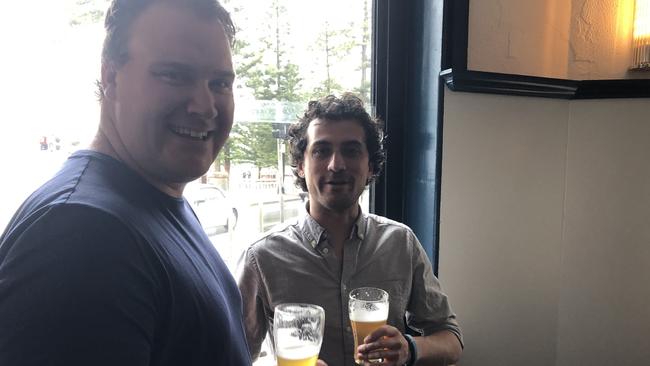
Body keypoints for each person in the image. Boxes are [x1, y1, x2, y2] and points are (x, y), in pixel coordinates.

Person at [0, 0, 255, 365]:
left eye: (220, 83)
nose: (205, 105)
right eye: (174, 75)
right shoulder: (81, 235)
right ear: (111, 77)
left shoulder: (154, 202)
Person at [237, 94, 463, 366]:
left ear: (370, 166)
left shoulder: (401, 243)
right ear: (300, 166)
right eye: (321, 150)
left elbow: (451, 339)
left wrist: (409, 348)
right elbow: (232, 355)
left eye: (351, 150)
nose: (337, 164)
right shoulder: (261, 258)